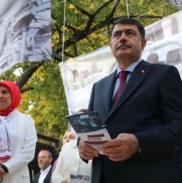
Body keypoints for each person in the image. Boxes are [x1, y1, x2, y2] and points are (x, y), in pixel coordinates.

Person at [78, 18, 182, 183]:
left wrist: (139, 142)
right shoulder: (98, 87)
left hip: (151, 175)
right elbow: (91, 130)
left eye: (130, 33)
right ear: (111, 46)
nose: (122, 38)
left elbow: (178, 126)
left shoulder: (164, 74)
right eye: (117, 35)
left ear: (143, 44)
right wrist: (82, 145)